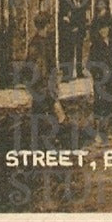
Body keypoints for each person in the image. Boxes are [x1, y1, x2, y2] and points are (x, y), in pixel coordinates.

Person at [25, 10, 65, 138]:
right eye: (49, 24)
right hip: (43, 85)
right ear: (46, 25)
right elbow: (40, 67)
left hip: (41, 85)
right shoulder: (41, 44)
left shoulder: (36, 43)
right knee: (54, 114)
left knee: (41, 114)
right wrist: (49, 86)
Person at [87, 12, 112, 143]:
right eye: (101, 29)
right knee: (100, 105)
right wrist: (97, 75)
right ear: (98, 30)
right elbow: (90, 63)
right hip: (100, 79)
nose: (104, 31)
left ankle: (105, 132)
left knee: (109, 104)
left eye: (106, 28)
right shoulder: (96, 45)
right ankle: (97, 133)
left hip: (110, 78)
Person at [61, 0, 88, 80]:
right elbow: (66, 18)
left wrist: (82, 29)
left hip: (80, 32)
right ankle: (69, 74)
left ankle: (79, 72)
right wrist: (72, 27)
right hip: (71, 32)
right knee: (70, 53)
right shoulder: (68, 4)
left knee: (79, 52)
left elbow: (83, 19)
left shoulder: (82, 5)